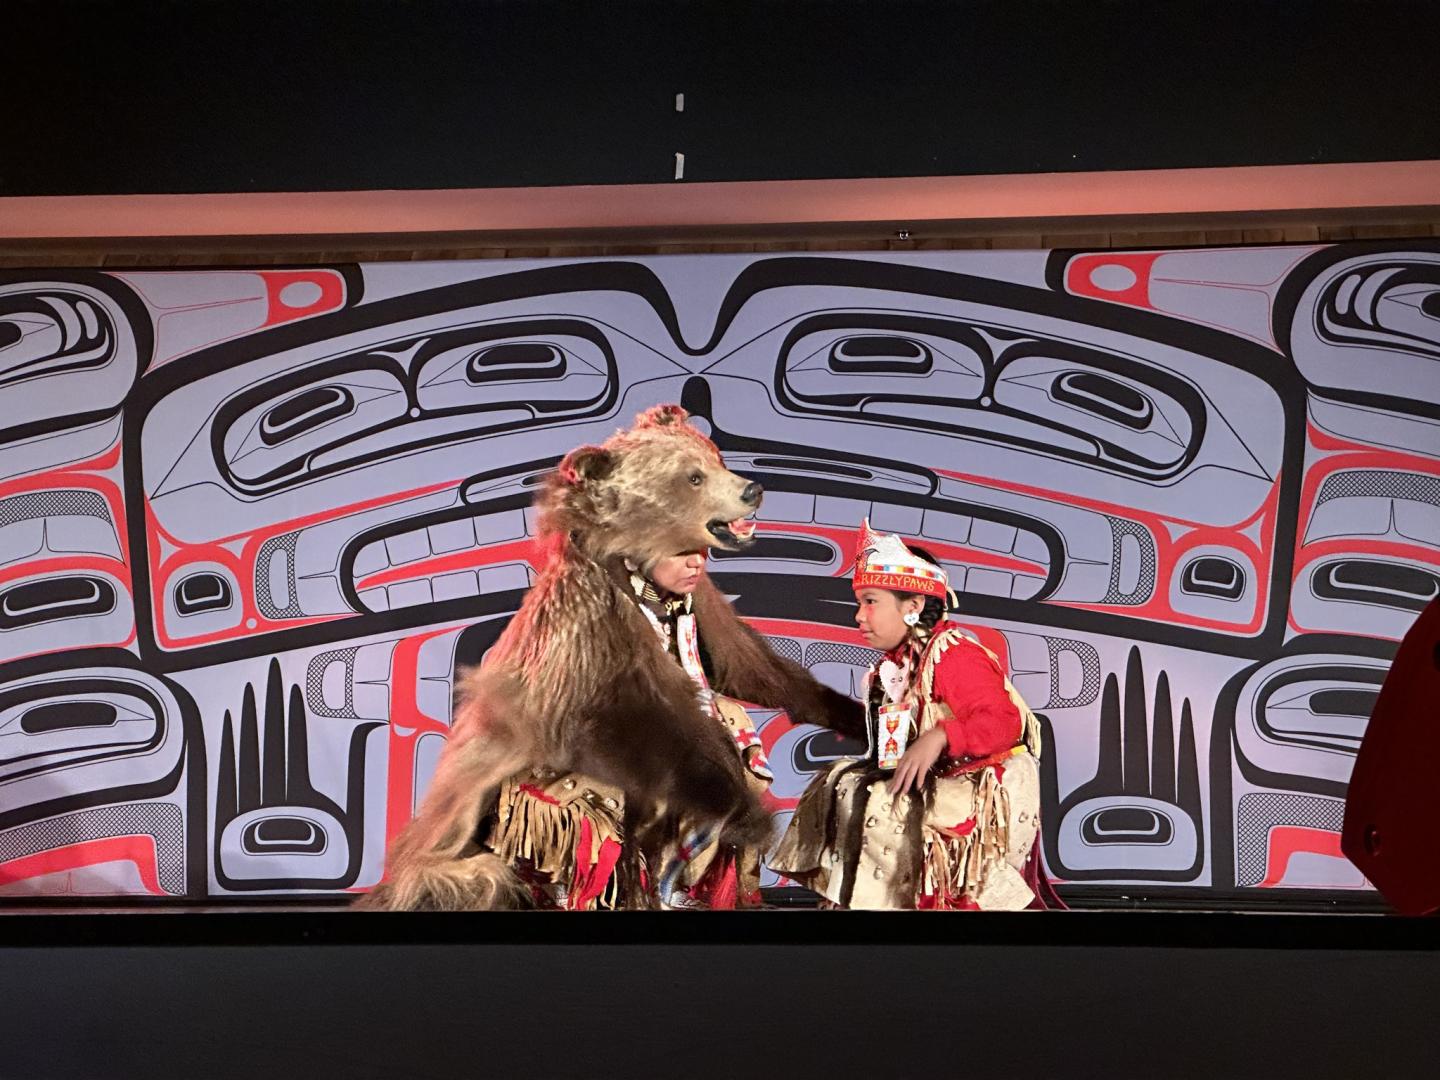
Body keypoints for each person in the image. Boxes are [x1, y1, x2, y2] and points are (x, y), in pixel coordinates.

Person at [770, 520, 1062, 910]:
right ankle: (862, 900)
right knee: (842, 780)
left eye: (870, 602)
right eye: (860, 603)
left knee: (877, 800)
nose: (859, 616)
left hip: (980, 789)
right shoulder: (893, 670)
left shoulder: (955, 655)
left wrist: (941, 736)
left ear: (913, 606)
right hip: (941, 782)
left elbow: (1004, 722)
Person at [482, 549, 777, 909]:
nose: (697, 562)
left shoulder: (684, 607)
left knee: (732, 736)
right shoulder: (592, 601)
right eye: (682, 550)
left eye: (702, 551)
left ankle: (680, 886)